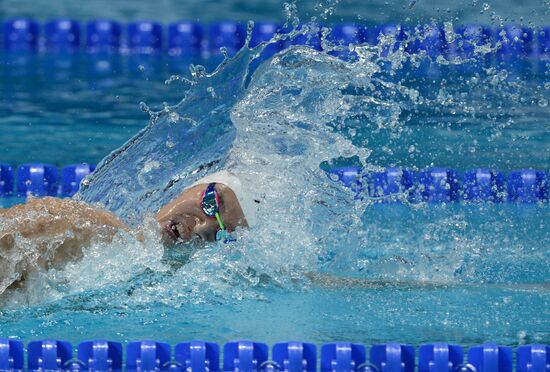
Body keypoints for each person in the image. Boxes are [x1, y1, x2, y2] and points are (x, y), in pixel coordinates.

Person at [0, 170, 255, 294]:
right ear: (189, 188)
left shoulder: (148, 288)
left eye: (219, 233)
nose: (201, 227)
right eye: (212, 203)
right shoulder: (83, 225)